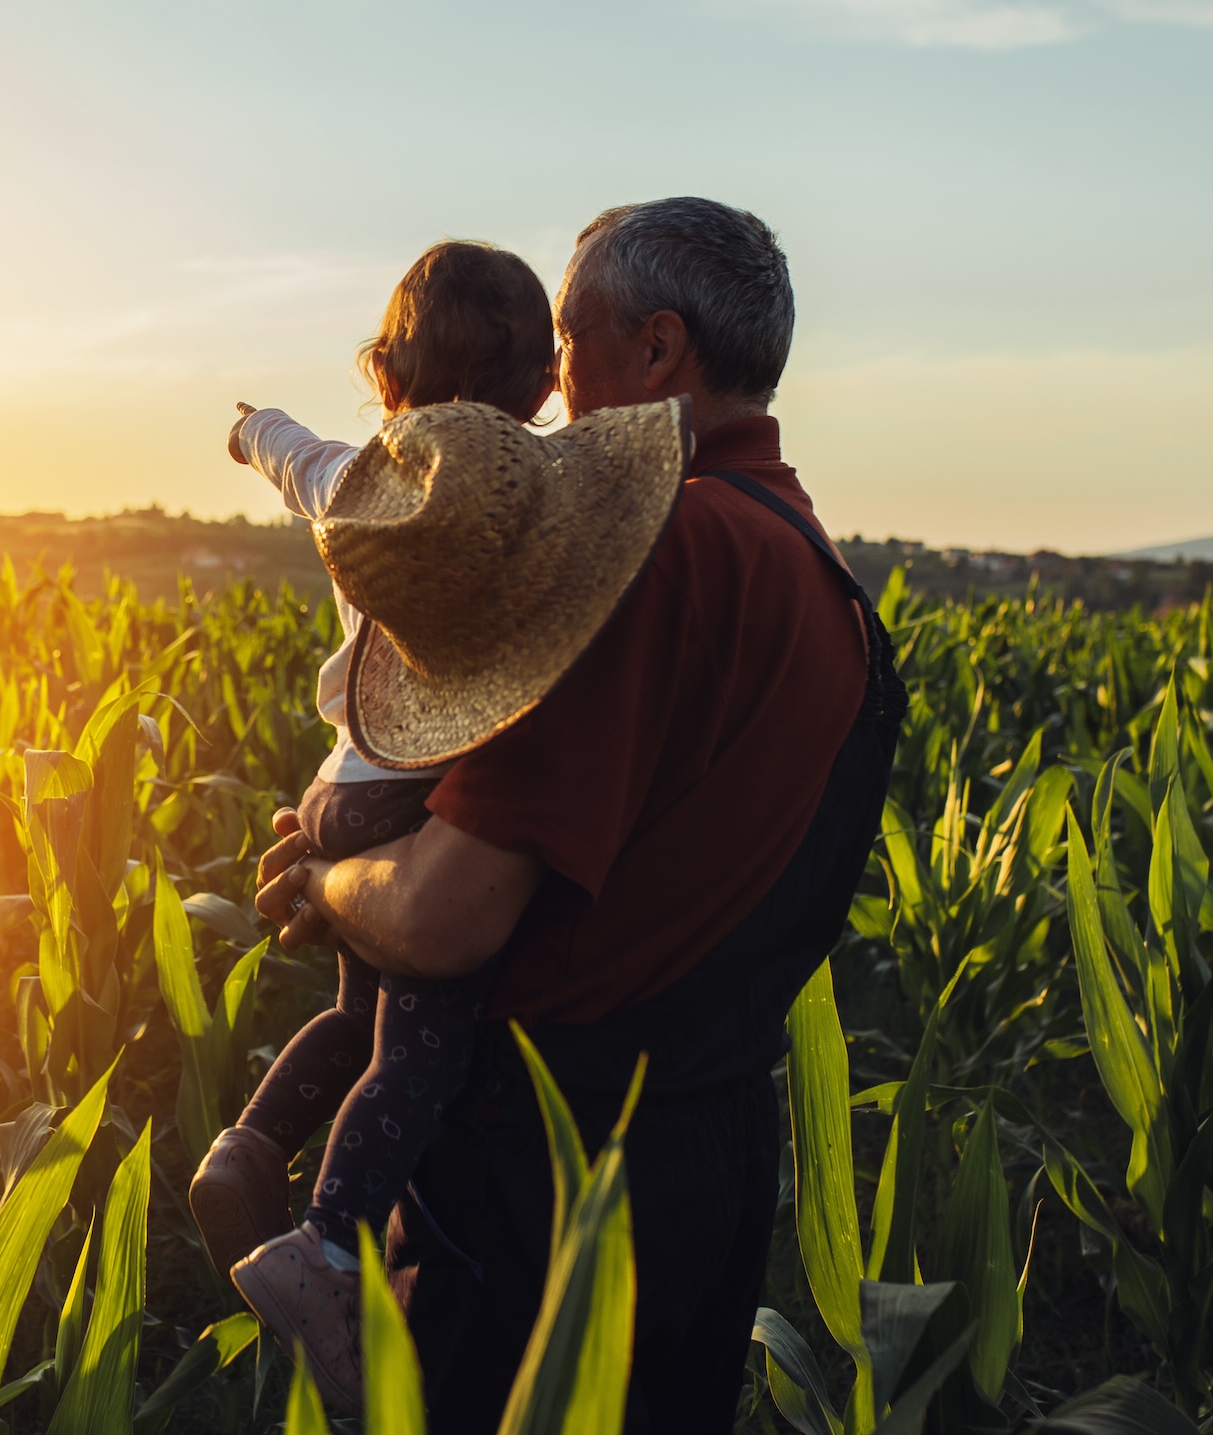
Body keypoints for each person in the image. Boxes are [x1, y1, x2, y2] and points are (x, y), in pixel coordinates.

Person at [252, 196, 906, 1433]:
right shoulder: (813, 567)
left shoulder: (650, 553)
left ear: (656, 352)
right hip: (704, 1157)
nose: (549, 378)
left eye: (569, 336)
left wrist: (326, 884)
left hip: (546, 1175)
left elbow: (445, 917)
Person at [188, 241, 573, 1412]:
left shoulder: (356, 479)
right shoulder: (526, 506)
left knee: (355, 1025)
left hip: (342, 781)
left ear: (389, 377)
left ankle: (246, 1149)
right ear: (545, 392)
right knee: (420, 1046)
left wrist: (253, 428)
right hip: (420, 790)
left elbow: (291, 454)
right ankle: (327, 1245)